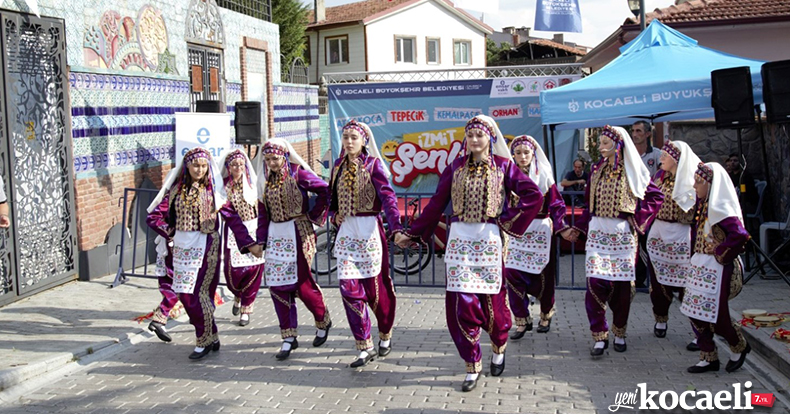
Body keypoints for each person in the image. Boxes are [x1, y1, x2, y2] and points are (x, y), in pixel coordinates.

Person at [395, 115, 543, 392]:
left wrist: (507, 220)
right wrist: (413, 233)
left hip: (487, 240)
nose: (474, 140)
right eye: (470, 136)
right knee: (461, 304)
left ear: (490, 138)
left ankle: (498, 345)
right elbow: (436, 204)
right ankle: (471, 363)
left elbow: (533, 195)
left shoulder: (504, 167)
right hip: (460, 240)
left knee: (494, 304)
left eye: (479, 135)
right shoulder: (455, 167)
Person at [228, 138, 332, 360]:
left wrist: (313, 215)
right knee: (277, 286)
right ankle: (288, 336)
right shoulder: (264, 181)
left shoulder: (298, 174)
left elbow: (325, 190)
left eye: (274, 158)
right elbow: (263, 214)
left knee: (301, 284)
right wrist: (261, 241)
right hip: (276, 236)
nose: (271, 163)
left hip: (299, 232)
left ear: (284, 155)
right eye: (267, 160)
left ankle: (322, 319)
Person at [566, 125, 662, 358]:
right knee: (595, 283)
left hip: (621, 233)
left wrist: (637, 220)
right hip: (599, 231)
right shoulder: (596, 169)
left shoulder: (632, 169)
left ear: (618, 145)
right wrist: (579, 228)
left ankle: (620, 331)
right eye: (600, 142)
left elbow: (655, 196)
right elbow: (589, 205)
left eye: (605, 143)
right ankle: (599, 334)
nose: (600, 147)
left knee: (621, 286)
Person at [329, 120, 403, 368]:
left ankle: (385, 331)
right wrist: (333, 215)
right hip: (348, 232)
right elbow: (331, 200)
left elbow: (388, 197)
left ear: (364, 141)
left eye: (353, 137)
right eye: (346, 137)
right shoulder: (337, 166)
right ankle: (364, 345)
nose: (349, 141)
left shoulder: (373, 165)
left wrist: (396, 228)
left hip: (370, 230)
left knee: (375, 291)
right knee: (349, 289)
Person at [146, 147, 225, 360]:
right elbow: (154, 217)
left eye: (203, 166)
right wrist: (170, 232)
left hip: (207, 246)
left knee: (199, 295)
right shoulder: (175, 191)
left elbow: (231, 214)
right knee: (186, 295)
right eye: (195, 165)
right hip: (182, 248)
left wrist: (249, 242)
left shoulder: (214, 191)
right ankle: (212, 334)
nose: (199, 169)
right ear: (187, 166)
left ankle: (203, 339)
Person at [681, 162, 751, 374]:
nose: (694, 186)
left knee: (716, 314)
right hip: (701, 264)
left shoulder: (721, 209)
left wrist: (722, 250)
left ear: (710, 185)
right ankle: (708, 355)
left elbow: (741, 236)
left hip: (718, 267)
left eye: (698, 182)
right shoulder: (703, 206)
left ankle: (738, 345)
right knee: (695, 312)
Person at [505, 135, 572, 338]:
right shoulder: (509, 176)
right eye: (518, 153)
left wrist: (561, 225)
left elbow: (557, 204)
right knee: (512, 273)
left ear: (533, 154)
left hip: (541, 231)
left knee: (543, 277)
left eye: (526, 152)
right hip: (518, 232)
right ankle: (522, 319)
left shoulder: (543, 176)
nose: (522, 156)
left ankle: (545, 313)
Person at [646, 141, 700, 341]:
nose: (661, 158)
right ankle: (661, 318)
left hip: (683, 236)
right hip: (660, 233)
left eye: (665, 156)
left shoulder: (692, 181)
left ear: (676, 159)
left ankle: (699, 331)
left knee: (690, 286)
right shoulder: (659, 177)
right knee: (659, 283)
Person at [217, 149, 265, 327]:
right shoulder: (223, 187)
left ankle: (246, 309)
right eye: (234, 164)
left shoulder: (252, 184)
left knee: (255, 270)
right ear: (228, 167)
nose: (238, 167)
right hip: (233, 232)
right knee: (234, 273)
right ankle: (237, 294)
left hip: (254, 229)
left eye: (241, 164)